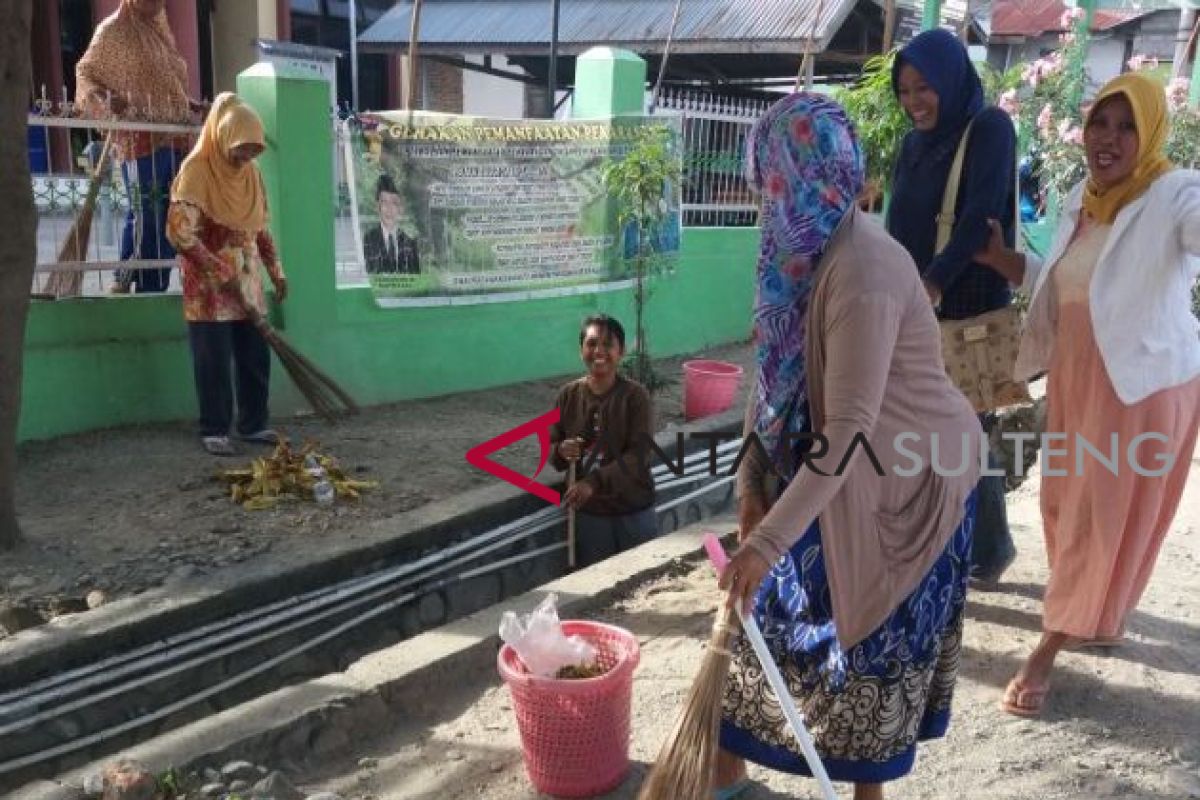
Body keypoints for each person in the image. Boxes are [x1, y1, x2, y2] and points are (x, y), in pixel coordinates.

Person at [716, 94, 983, 800]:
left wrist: (766, 543)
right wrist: (752, 489)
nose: (764, 198)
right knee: (761, 628)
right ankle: (724, 778)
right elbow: (771, 378)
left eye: (771, 181)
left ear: (800, 177)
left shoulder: (862, 271)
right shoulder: (801, 256)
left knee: (866, 653)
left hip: (912, 479)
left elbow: (848, 427)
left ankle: (849, 793)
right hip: (851, 468)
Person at [973, 72, 1200, 718]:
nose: (1110, 138)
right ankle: (1095, 612)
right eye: (1101, 122)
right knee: (1060, 504)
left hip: (1140, 387)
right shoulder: (1084, 197)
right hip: (1078, 378)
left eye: (1128, 126)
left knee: (1096, 518)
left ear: (1151, 132)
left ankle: (1045, 652)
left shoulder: (1175, 193)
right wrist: (1006, 262)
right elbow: (1073, 287)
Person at [887, 28, 1019, 583]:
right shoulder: (914, 144)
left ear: (949, 78)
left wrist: (935, 283)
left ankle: (986, 545)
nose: (915, 101)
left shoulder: (989, 127)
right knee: (925, 428)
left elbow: (979, 215)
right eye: (905, 90)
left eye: (925, 87)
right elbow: (898, 220)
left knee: (964, 425)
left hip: (965, 302)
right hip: (915, 302)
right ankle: (955, 539)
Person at [165, 93, 288, 457]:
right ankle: (214, 428)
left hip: (248, 283)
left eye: (253, 150)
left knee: (255, 356)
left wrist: (277, 272)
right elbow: (178, 231)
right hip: (209, 287)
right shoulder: (196, 171)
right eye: (240, 149)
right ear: (222, 137)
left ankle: (254, 424)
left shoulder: (252, 176)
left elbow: (260, 229)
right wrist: (218, 267)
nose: (246, 158)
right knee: (213, 359)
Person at [76, 0, 206, 293]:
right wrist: (106, 99)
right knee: (146, 211)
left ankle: (150, 280)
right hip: (138, 138)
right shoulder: (113, 31)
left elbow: (164, 83)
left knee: (168, 212)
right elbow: (85, 74)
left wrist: (188, 104)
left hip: (173, 137)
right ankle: (140, 281)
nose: (155, 4)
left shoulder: (160, 30)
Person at [548, 315, 656, 568]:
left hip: (633, 511)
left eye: (608, 344)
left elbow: (640, 456)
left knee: (640, 584)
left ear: (621, 351)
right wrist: (562, 451)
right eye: (591, 343)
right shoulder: (568, 395)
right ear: (581, 350)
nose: (599, 351)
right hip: (590, 515)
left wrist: (593, 482)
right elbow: (553, 456)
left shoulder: (635, 397)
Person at [363, 175, 420, 274]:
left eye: (394, 203)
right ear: (377, 207)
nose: (389, 209)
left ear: (400, 208)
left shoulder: (410, 244)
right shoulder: (366, 241)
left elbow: (417, 282)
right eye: (384, 202)